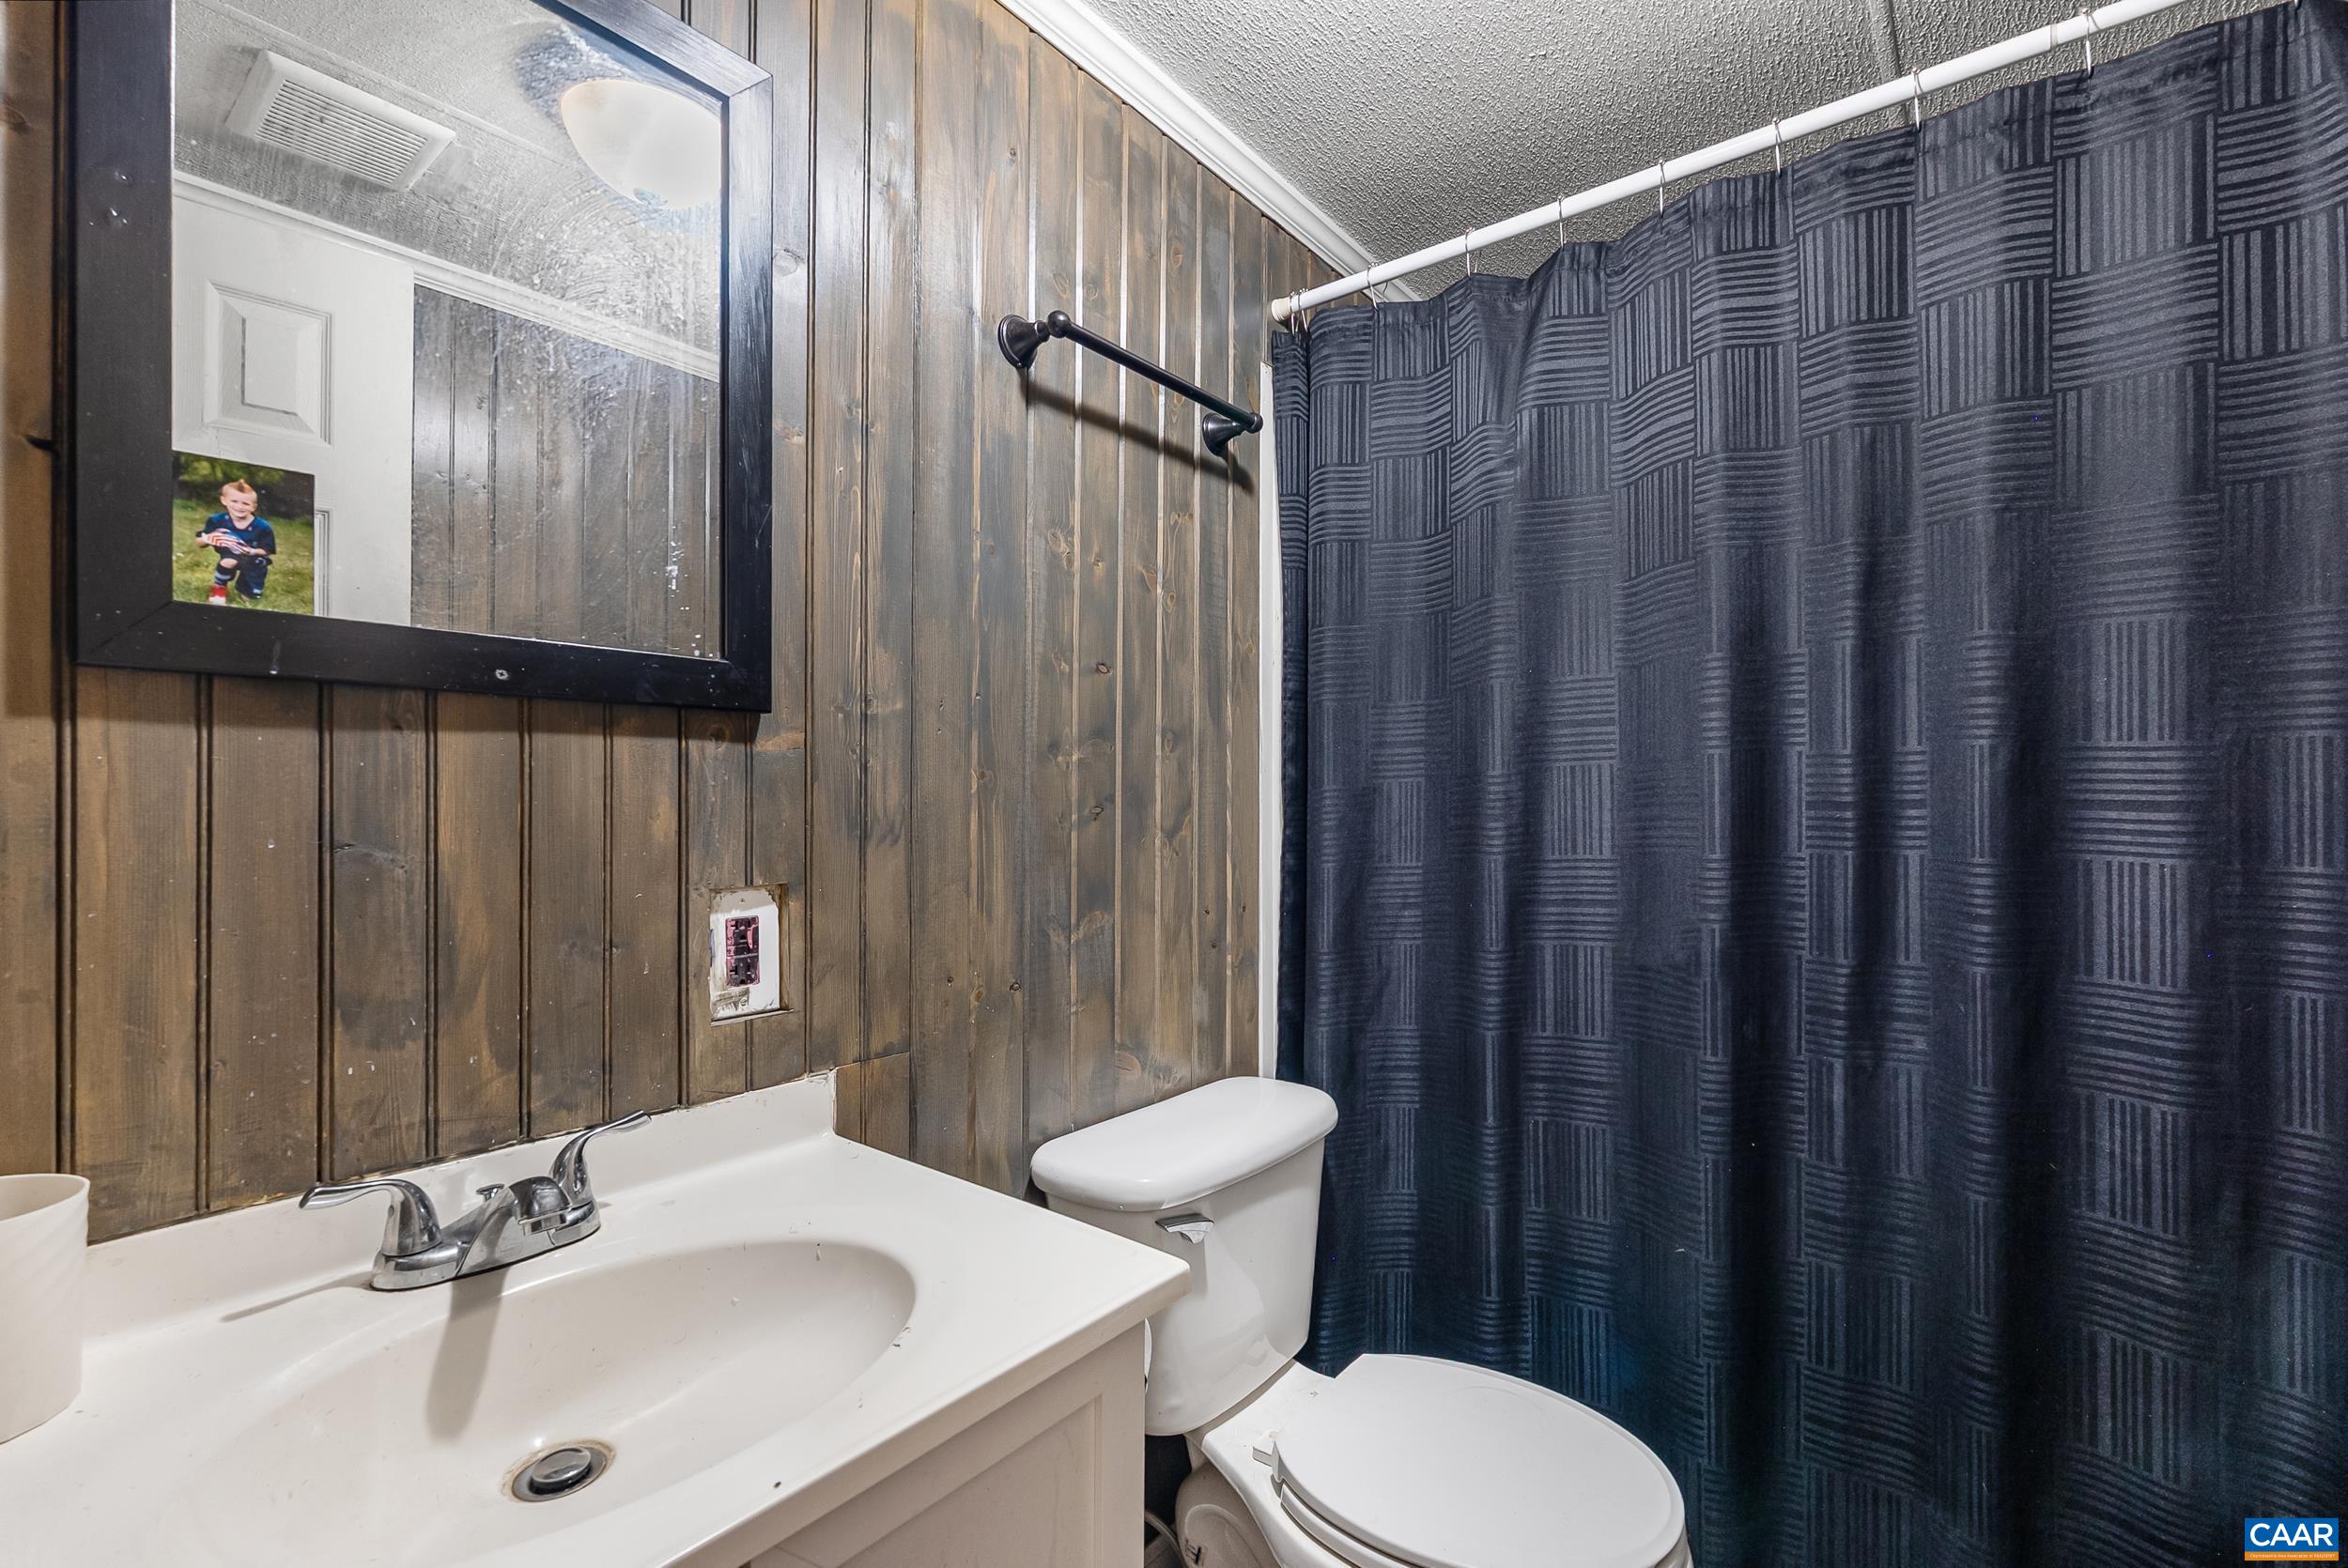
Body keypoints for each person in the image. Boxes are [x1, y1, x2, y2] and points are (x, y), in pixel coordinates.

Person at [196, 479, 276, 606]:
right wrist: (208, 538)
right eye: (234, 501)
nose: (239, 507)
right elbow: (199, 542)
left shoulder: (262, 526)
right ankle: (219, 589)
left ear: (253, 507)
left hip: (254, 558)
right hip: (230, 554)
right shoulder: (217, 520)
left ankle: (247, 590)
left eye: (245, 503)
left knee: (250, 598)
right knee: (228, 561)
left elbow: (267, 550)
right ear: (224, 500)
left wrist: (251, 551)